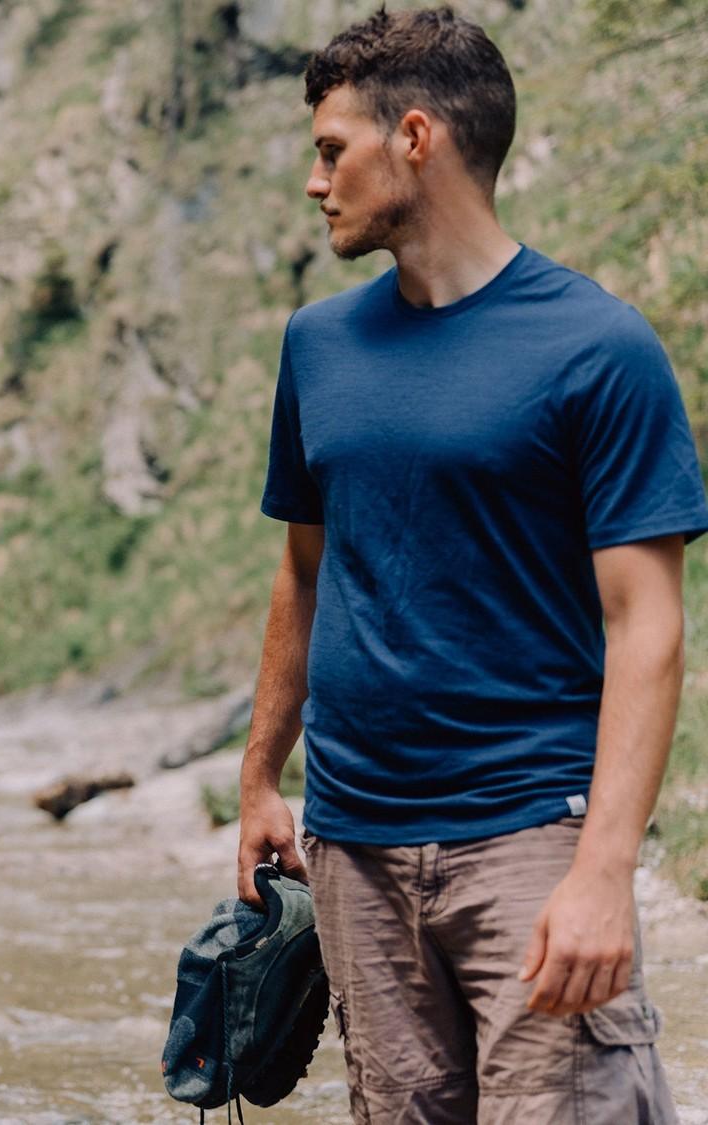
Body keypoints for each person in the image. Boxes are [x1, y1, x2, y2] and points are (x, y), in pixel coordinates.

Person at [236, 8, 706, 1122]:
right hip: (351, 844)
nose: (315, 181)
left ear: (413, 137)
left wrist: (600, 873)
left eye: (328, 148)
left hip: (527, 838)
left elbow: (645, 624)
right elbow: (302, 574)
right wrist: (261, 777)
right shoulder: (316, 345)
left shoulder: (594, 349)